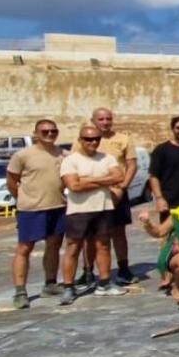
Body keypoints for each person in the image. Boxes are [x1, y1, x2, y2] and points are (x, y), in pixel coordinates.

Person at [59, 126, 126, 304]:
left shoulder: (107, 158)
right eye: (88, 139)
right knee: (73, 248)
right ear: (80, 140)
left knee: (103, 245)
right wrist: (104, 181)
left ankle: (104, 282)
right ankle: (68, 287)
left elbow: (119, 177)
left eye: (96, 139)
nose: (93, 142)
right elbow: (74, 186)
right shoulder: (70, 160)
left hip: (103, 207)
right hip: (79, 210)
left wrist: (87, 179)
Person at [72, 108, 138, 287]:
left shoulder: (123, 139)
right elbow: (74, 164)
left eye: (108, 119)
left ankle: (123, 268)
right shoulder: (83, 139)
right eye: (101, 119)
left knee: (118, 232)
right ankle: (88, 271)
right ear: (93, 120)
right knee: (90, 235)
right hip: (90, 194)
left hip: (116, 192)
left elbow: (132, 165)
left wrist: (123, 188)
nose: (105, 122)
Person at [7, 119, 67, 309]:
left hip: (57, 207)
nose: (49, 134)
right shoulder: (22, 155)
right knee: (24, 249)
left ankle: (50, 284)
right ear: (36, 133)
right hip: (31, 210)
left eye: (53, 131)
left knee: (54, 246)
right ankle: (20, 291)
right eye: (45, 131)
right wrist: (23, 199)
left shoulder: (63, 154)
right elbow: (11, 180)